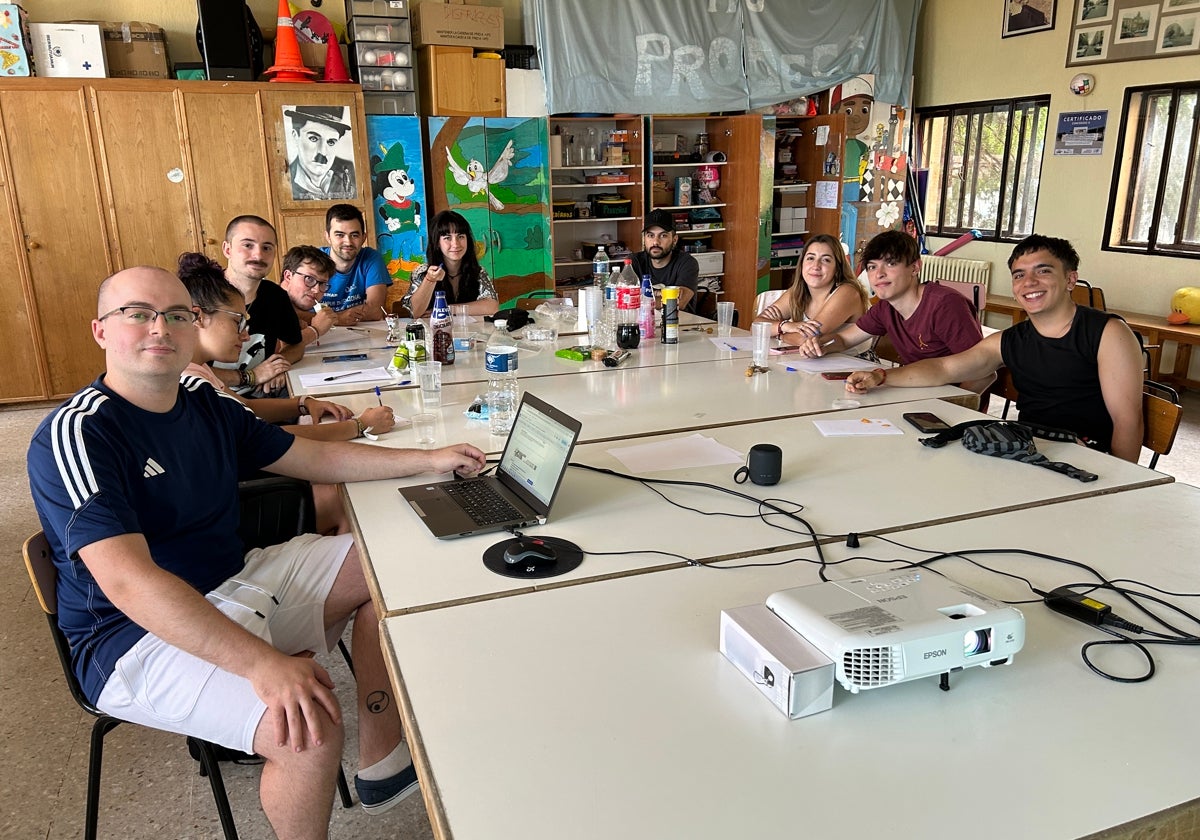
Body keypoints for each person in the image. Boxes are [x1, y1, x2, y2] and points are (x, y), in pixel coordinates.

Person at [27, 266, 487, 837]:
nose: (160, 328)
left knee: (392, 563)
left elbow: (309, 458)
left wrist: (429, 458)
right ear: (100, 331)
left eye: (177, 315)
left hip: (233, 576)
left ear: (195, 327)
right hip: (131, 636)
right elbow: (127, 583)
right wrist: (263, 665)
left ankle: (382, 758)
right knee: (309, 728)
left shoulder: (199, 397)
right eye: (137, 314)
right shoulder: (77, 433)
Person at [845, 234, 1144, 461]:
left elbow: (1127, 421)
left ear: (1070, 279)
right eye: (1019, 275)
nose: (1029, 282)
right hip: (1029, 450)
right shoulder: (1010, 340)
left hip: (1087, 457)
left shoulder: (1108, 333)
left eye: (1043, 271)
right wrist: (881, 377)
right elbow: (944, 367)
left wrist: (1117, 486)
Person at [179, 252, 394, 535]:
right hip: (228, 516)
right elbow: (273, 441)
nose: (245, 335)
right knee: (348, 495)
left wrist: (302, 403)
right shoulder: (192, 383)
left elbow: (245, 407)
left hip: (232, 487)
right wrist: (359, 426)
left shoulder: (197, 369)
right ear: (198, 317)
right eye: (237, 323)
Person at [795, 230, 992, 395]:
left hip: (947, 406)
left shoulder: (945, 305)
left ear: (915, 267)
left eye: (890, 264)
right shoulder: (885, 308)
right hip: (914, 393)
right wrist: (823, 345)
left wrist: (956, 409)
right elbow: (845, 339)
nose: (878, 274)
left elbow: (983, 374)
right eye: (872, 266)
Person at [215, 215, 304, 396]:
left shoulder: (276, 296)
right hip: (211, 400)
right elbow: (183, 369)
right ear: (227, 249)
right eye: (247, 245)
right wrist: (252, 376)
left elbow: (296, 345)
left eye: (267, 248)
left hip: (263, 395)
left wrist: (275, 366)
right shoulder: (200, 297)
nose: (258, 255)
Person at [756, 234, 868, 346]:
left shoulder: (848, 293)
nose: (816, 266)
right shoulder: (798, 291)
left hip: (853, 361)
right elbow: (756, 327)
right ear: (802, 264)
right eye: (810, 258)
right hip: (810, 360)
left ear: (837, 268)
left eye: (826, 260)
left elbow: (804, 339)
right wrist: (784, 326)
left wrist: (778, 334)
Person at [401, 210, 499, 318]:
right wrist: (430, 280)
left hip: (469, 332)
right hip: (433, 333)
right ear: (437, 243)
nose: (455, 244)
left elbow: (492, 307)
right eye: (447, 238)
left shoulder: (478, 271)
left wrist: (447, 309)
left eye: (460, 236)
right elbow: (414, 312)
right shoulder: (421, 272)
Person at [320, 204, 393, 324]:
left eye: (354, 235)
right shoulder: (312, 261)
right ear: (328, 236)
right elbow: (295, 312)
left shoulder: (371, 258)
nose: (348, 242)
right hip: (319, 333)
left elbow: (375, 311)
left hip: (361, 332)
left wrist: (336, 318)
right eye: (339, 235)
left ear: (364, 238)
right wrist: (339, 318)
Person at [630, 209, 700, 312]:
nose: (655, 242)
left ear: (674, 240)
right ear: (644, 238)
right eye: (650, 235)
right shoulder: (635, 261)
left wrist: (641, 299)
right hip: (643, 322)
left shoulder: (687, 263)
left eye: (663, 235)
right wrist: (662, 295)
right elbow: (625, 298)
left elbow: (679, 303)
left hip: (679, 324)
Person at [286, 106, 356, 201]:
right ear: (295, 136)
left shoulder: (349, 171)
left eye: (331, 142)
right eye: (313, 139)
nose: (322, 152)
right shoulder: (285, 181)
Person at [278, 245, 338, 348]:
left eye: (322, 284)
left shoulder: (290, 312)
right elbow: (274, 351)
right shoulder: (267, 303)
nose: (316, 290)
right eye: (309, 279)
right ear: (288, 276)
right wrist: (315, 330)